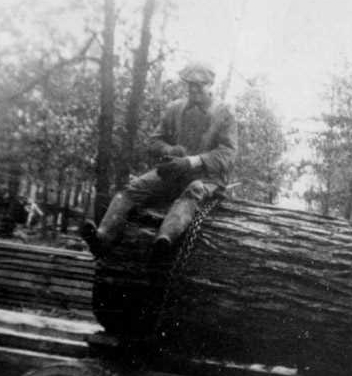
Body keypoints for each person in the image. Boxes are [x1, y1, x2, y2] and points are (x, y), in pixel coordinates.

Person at [82, 60, 237, 258]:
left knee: (194, 190)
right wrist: (171, 150)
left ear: (210, 85)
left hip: (207, 177)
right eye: (190, 84)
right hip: (173, 172)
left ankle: (164, 241)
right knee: (136, 187)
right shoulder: (175, 108)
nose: (194, 89)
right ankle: (101, 237)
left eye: (200, 84)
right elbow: (154, 141)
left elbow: (228, 153)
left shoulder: (224, 113)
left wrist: (192, 161)